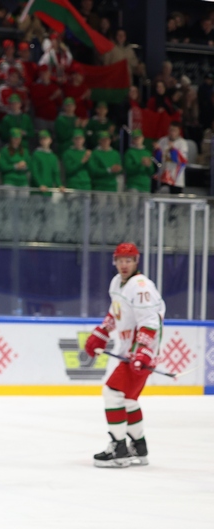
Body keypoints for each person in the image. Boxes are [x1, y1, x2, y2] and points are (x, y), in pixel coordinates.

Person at [82, 243, 163, 467]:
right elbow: (115, 313)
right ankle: (139, 447)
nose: (124, 265)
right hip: (130, 352)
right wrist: (101, 333)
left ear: (136, 261)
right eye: (120, 260)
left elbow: (150, 321)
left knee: (112, 393)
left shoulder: (142, 287)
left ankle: (119, 449)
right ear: (114, 262)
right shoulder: (117, 282)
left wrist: (143, 351)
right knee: (128, 399)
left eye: (128, 260)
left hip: (140, 354)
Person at [154, 123, 189, 193]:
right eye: (171, 130)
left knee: (174, 198)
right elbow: (158, 160)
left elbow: (182, 160)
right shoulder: (162, 140)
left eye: (175, 130)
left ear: (179, 131)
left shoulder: (182, 143)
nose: (172, 132)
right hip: (163, 176)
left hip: (176, 179)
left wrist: (173, 150)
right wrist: (157, 151)